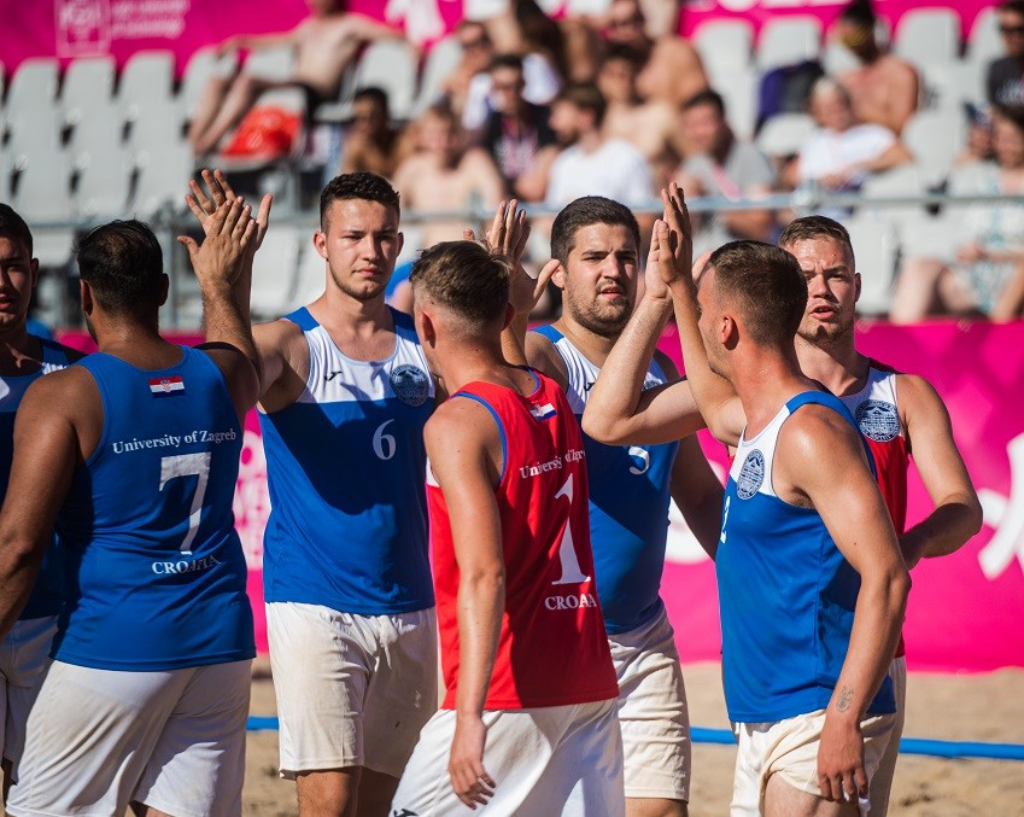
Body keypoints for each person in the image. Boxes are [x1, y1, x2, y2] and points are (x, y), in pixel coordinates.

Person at [584, 185, 911, 815]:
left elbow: (889, 576)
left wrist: (845, 718)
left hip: (817, 710)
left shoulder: (811, 432)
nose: (694, 324)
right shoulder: (753, 417)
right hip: (766, 715)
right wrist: (676, 287)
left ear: (727, 327)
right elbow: (610, 420)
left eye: (703, 312)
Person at [186, 169, 438, 815]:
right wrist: (224, 284)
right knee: (329, 804)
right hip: (315, 604)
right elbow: (226, 388)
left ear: (399, 242)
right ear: (322, 244)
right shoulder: (292, 342)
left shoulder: (426, 343)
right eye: (353, 236)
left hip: (412, 602)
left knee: (382, 806)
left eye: (384, 236)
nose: (371, 250)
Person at [0, 202, 261, 815]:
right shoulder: (223, 374)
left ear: (82, 294)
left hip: (109, 639)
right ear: (165, 290)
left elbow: (18, 547)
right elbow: (236, 350)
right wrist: (220, 282)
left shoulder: (66, 389)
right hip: (218, 637)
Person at [496, 195, 723, 817]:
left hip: (642, 636)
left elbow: (700, 494)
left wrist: (758, 571)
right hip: (553, 637)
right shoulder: (544, 355)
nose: (614, 270)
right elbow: (508, 384)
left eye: (627, 256)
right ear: (559, 272)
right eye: (594, 257)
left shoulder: (662, 367)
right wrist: (508, 314)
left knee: (662, 810)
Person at [390, 238, 624, 816]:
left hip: (506, 688)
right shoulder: (550, 394)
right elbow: (510, 372)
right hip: (585, 674)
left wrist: (469, 716)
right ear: (505, 315)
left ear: (425, 323)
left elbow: (484, 573)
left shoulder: (456, 423)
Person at [0, 205, 83, 785]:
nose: (2, 284)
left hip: (54, 624)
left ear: (33, 271)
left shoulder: (79, 378)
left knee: (44, 798)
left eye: (12, 266)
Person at [188, 0, 402, 154]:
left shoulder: (350, 24)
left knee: (248, 82)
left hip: (314, 91)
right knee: (217, 82)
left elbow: (388, 34)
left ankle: (208, 144)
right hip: (293, 85)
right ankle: (194, 144)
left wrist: (409, 45)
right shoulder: (308, 27)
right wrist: (240, 41)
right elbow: (277, 41)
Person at [891, 105, 1024, 322]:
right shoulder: (984, 181)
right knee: (919, 267)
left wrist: (992, 255)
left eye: (1014, 138)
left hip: (1015, 273)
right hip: (977, 275)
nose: (1007, 145)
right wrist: (969, 252)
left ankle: (999, 338)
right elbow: (967, 233)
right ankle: (901, 340)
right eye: (1002, 138)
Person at [676, 89, 777, 256]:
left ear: (723, 121)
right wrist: (687, 208)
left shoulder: (750, 157)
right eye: (692, 125)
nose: (700, 132)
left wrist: (711, 203)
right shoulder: (693, 165)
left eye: (706, 123)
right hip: (703, 258)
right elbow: (682, 234)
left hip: (744, 259)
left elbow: (762, 228)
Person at [393, 104, 505, 248]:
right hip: (426, 253)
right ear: (421, 135)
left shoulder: (474, 162)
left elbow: (496, 206)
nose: (443, 142)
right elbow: (395, 216)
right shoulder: (411, 169)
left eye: (449, 133)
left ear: (459, 135)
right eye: (435, 134)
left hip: (468, 251)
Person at [785, 78, 912, 195]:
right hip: (820, 202)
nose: (835, 113)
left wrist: (862, 166)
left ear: (848, 104)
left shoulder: (872, 134)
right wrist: (821, 180)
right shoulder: (815, 140)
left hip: (859, 201)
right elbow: (791, 175)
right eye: (826, 109)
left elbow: (903, 156)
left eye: (838, 105)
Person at [545, 83, 655, 208]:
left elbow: (645, 214)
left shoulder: (626, 158)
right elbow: (549, 213)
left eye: (560, 115)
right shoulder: (563, 162)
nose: (553, 123)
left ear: (586, 116)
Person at [474, 53, 559, 202]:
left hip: (540, 202)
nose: (510, 93)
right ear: (493, 88)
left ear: (524, 84)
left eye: (516, 86)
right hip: (505, 199)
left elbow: (536, 188)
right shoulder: (490, 122)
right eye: (503, 87)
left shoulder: (544, 117)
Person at [598, 44, 682, 187]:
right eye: (612, 74)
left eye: (625, 74)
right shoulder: (595, 120)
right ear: (601, 78)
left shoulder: (661, 115)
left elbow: (695, 159)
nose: (620, 82)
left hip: (656, 198)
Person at [834, 0, 919, 135]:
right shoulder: (846, 79)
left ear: (871, 30)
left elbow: (901, 127)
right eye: (846, 40)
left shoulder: (900, 74)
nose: (851, 47)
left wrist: (857, 114)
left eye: (855, 38)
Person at [602, 0, 708, 108]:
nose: (624, 31)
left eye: (633, 20)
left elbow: (701, 107)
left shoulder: (677, 54)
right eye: (614, 25)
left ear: (643, 19)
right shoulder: (606, 68)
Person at [340, 87, 405, 179]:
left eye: (373, 117)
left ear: (386, 115)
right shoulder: (356, 148)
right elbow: (346, 184)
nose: (365, 124)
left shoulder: (402, 142)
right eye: (360, 118)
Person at [987, 1, 1024, 107]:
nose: (1010, 37)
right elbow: (994, 110)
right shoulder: (997, 69)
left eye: (1019, 29)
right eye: (1004, 29)